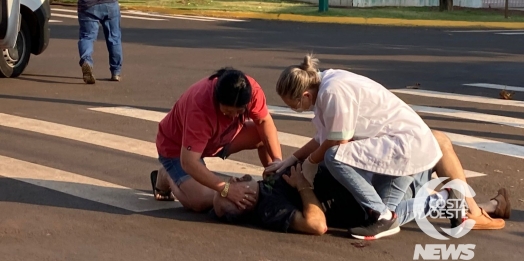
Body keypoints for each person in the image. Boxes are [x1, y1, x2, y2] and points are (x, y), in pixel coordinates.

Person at [266, 54, 505, 239]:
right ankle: (444, 200)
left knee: (335, 157)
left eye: (294, 105)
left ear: (306, 95)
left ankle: (385, 213)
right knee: (392, 214)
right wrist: (290, 160)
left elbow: (338, 141)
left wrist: (308, 165)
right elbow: (322, 136)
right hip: (399, 148)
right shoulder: (324, 84)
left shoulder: (333, 91)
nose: (295, 110)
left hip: (402, 147)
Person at [211, 162, 510, 238]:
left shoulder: (267, 184)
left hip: (366, 182)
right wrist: (302, 186)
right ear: (241, 207)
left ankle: (488, 206)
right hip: (371, 202)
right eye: (230, 198)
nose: (234, 185)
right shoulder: (268, 209)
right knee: (426, 153)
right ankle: (476, 207)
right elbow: (316, 225)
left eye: (230, 185)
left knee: (427, 156)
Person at [151, 67, 283, 213]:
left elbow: (265, 122)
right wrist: (226, 189)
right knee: (200, 200)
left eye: (239, 112)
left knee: (263, 135)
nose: (233, 117)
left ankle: (273, 183)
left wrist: (277, 161)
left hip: (221, 139)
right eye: (227, 111)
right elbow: (189, 162)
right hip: (178, 148)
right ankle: (167, 175)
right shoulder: (200, 106)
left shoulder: (252, 90)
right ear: (217, 99)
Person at [77, 0, 123, 84]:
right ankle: (116, 72)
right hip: (110, 4)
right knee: (114, 38)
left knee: (87, 37)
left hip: (88, 5)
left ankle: (86, 61)